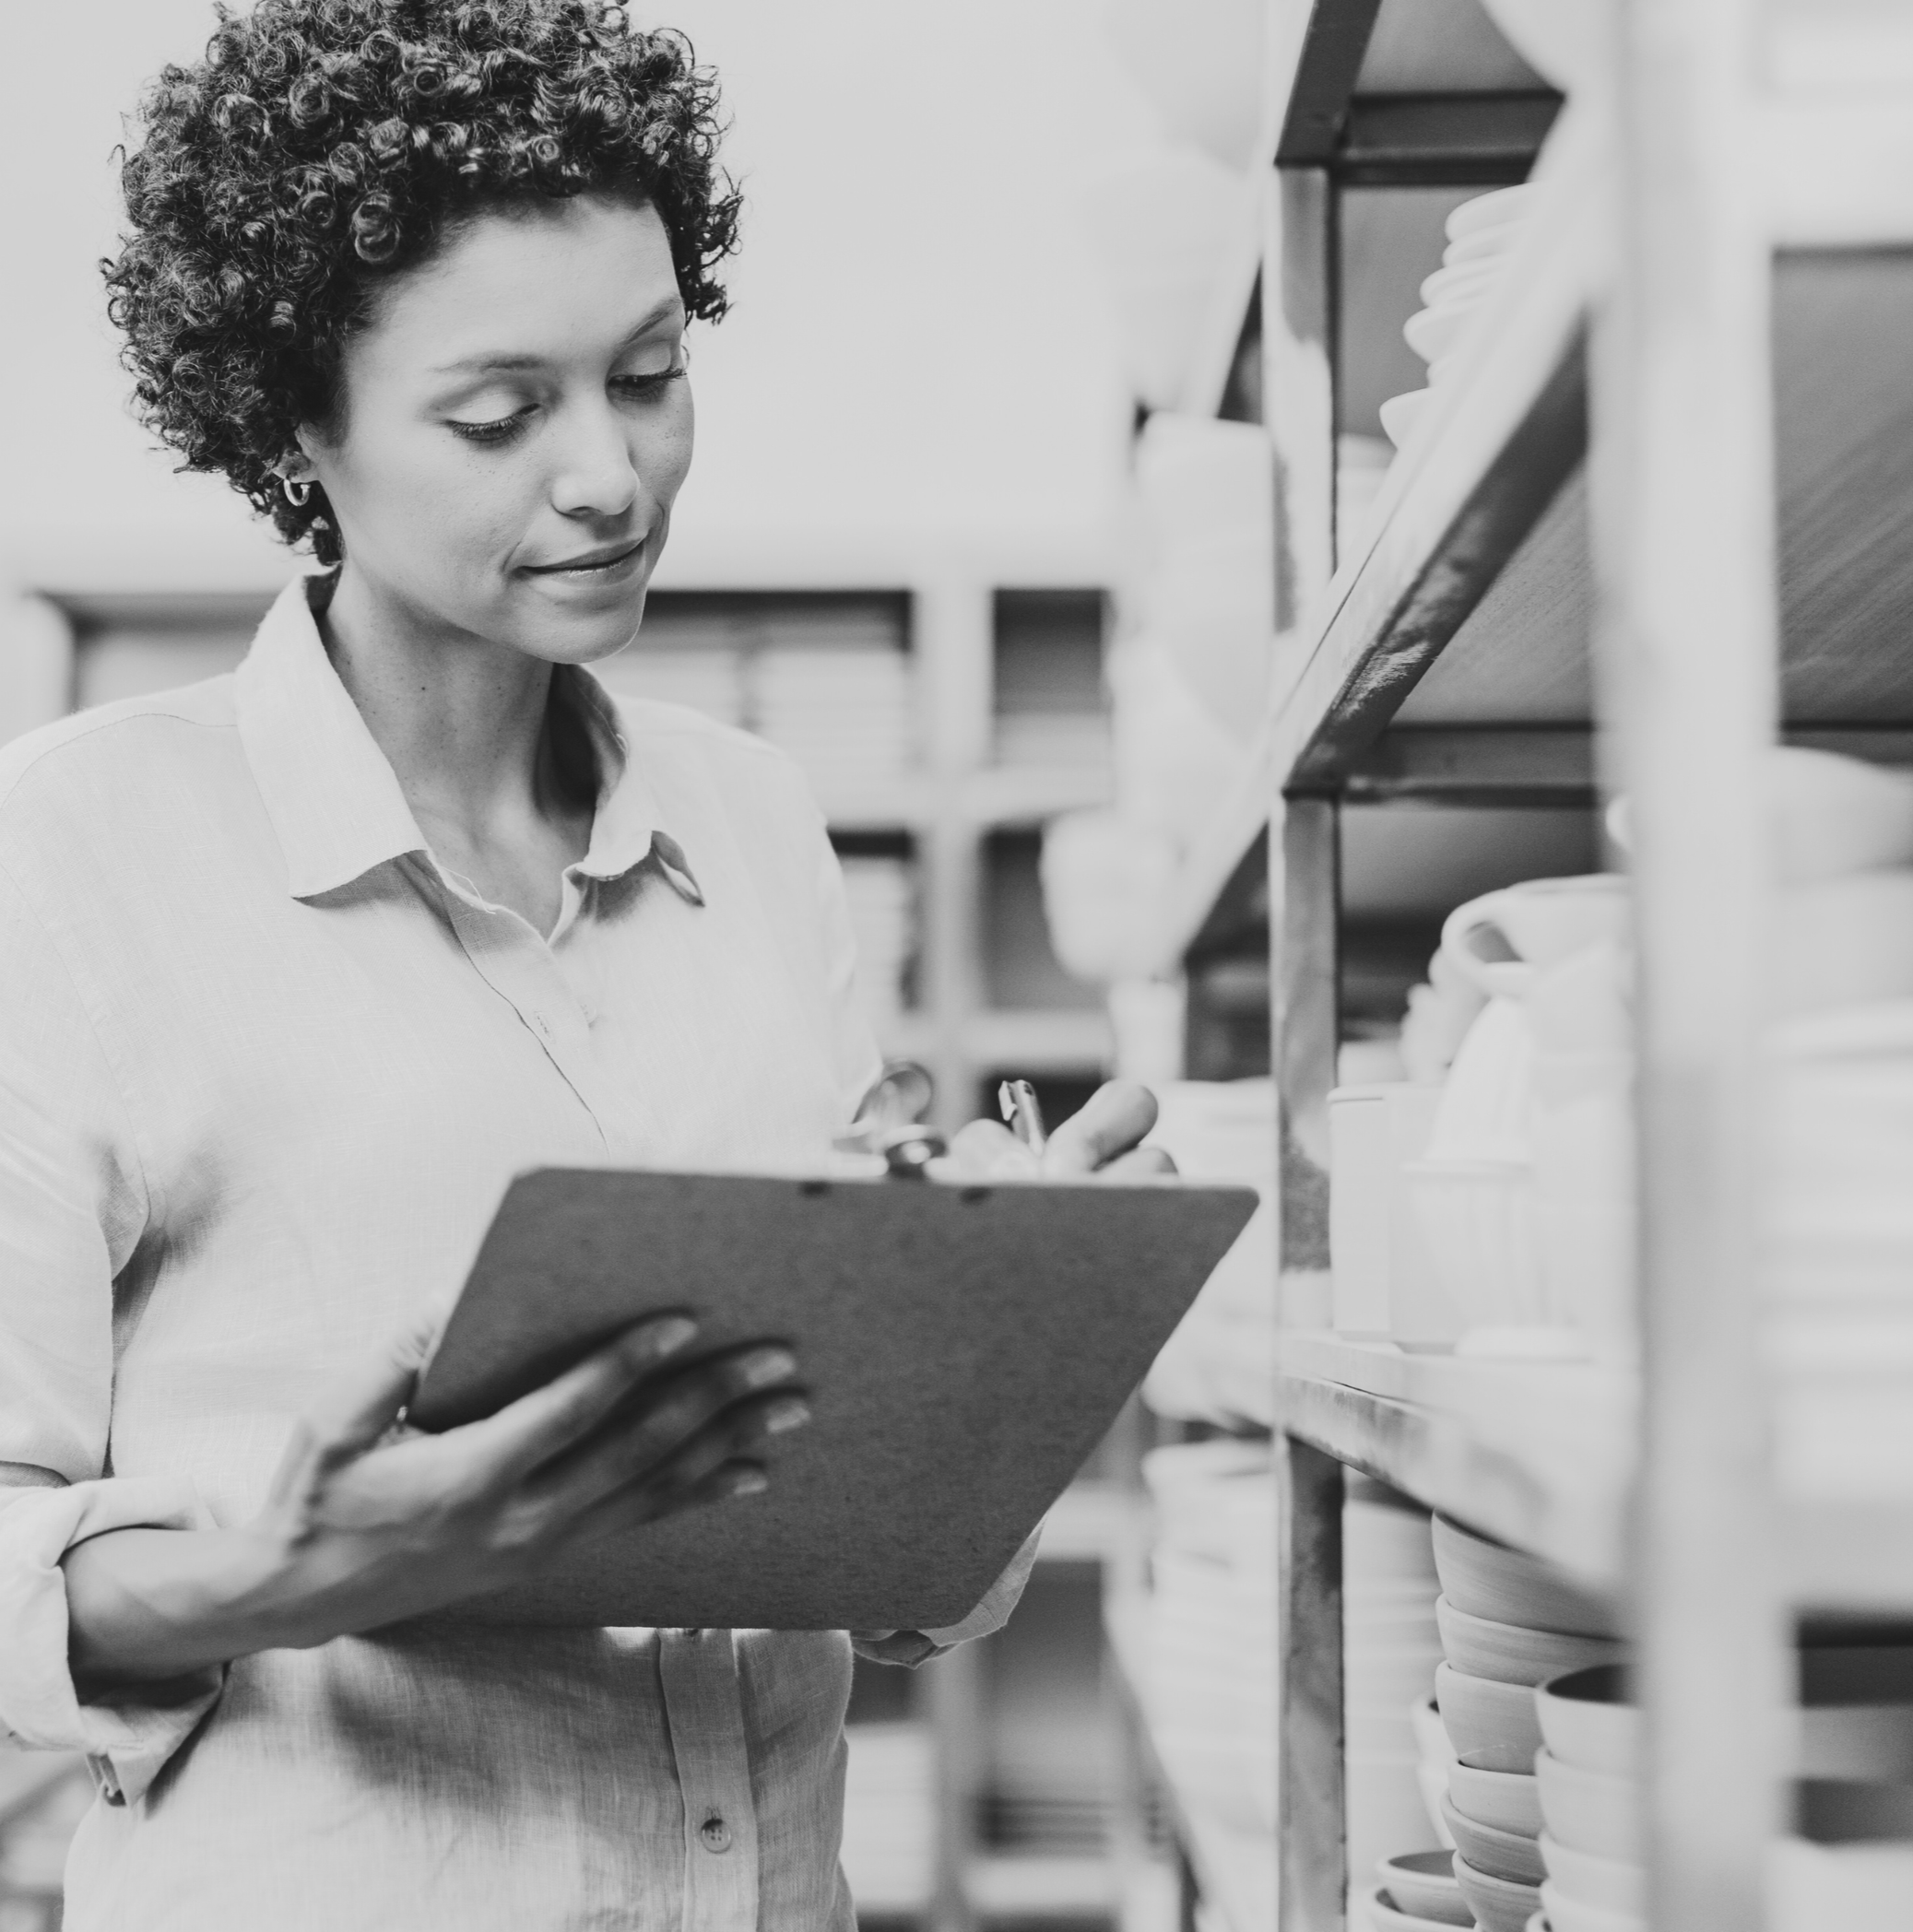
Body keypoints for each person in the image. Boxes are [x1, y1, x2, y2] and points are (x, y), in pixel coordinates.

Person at [0, 4, 1171, 1926]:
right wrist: (307, 1574)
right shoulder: (75, 850)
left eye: (647, 375)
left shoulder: (760, 829)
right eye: (498, 411)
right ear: (298, 419)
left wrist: (988, 1358)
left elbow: (892, 1591)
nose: (610, 476)